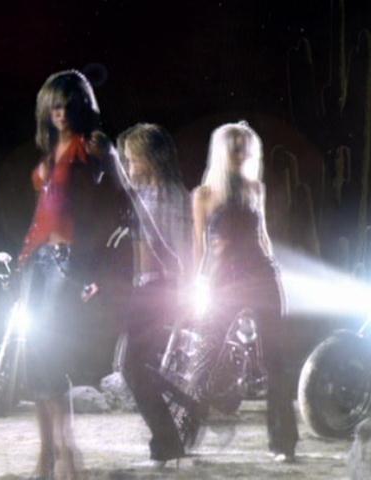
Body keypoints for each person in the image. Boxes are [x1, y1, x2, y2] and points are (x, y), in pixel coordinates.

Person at [17, 69, 112, 480]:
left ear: (82, 106)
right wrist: (24, 259)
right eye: (54, 105)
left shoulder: (92, 146)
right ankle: (47, 454)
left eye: (68, 104)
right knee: (35, 355)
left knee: (50, 354)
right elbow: (43, 212)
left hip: (67, 260)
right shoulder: (52, 150)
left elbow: (113, 205)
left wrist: (98, 268)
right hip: (37, 261)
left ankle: (67, 453)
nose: (60, 112)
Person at [189, 121, 298, 462]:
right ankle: (181, 434)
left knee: (276, 360)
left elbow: (263, 237)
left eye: (246, 147)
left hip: (261, 277)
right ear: (223, 151)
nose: (241, 153)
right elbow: (199, 248)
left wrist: (278, 274)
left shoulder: (255, 188)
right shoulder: (204, 195)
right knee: (204, 356)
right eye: (235, 147)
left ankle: (283, 443)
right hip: (222, 281)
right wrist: (196, 285)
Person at [113, 123, 192, 467]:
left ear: (151, 160)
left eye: (132, 160)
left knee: (131, 366)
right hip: (157, 287)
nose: (128, 166)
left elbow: (172, 245)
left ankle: (167, 441)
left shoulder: (160, 195)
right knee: (134, 364)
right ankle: (181, 414)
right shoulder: (166, 193)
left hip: (155, 287)